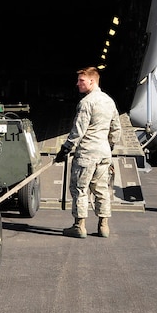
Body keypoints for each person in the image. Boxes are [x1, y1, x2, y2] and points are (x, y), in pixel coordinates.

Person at [54, 67, 121, 239]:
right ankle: (103, 226)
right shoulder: (109, 101)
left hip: (87, 153)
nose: (77, 84)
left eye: (81, 80)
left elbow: (78, 130)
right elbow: (116, 129)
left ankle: (79, 226)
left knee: (79, 189)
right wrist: (109, 145)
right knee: (101, 190)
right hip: (104, 153)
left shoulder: (86, 103)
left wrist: (66, 148)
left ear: (92, 81)